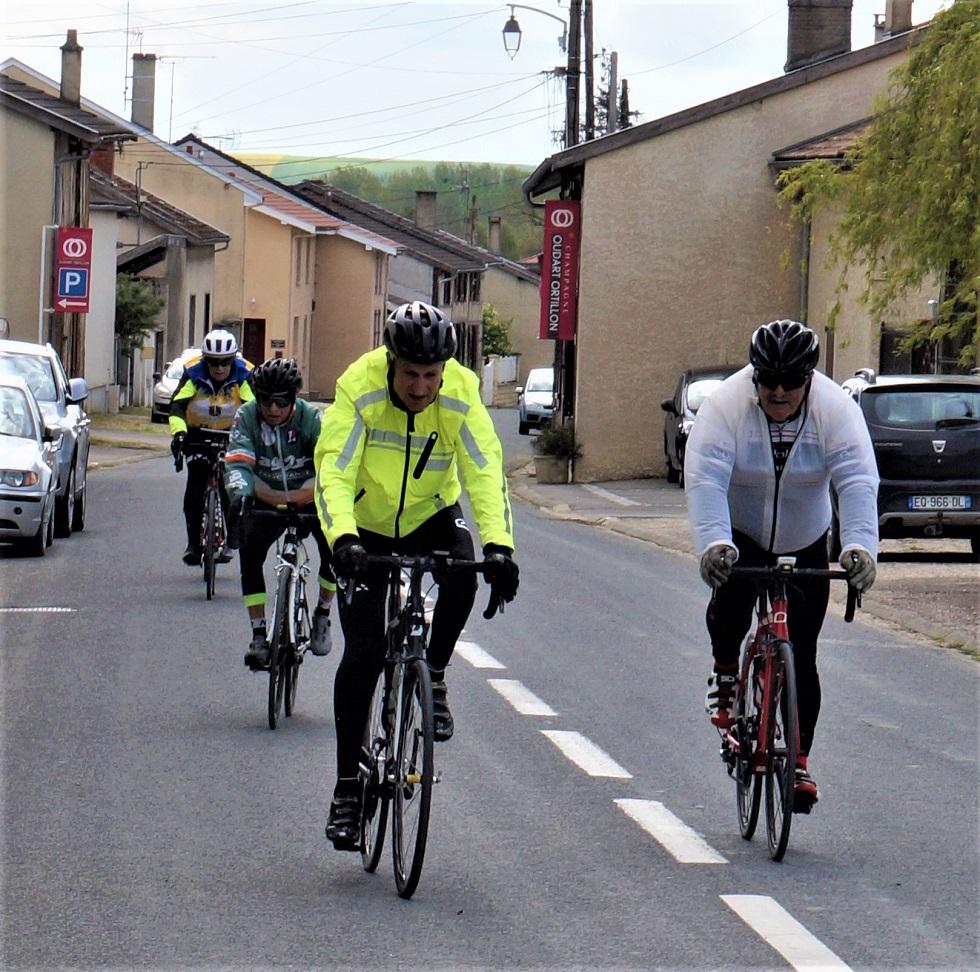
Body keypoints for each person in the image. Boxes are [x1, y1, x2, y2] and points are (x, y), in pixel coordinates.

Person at [314, 300, 519, 850]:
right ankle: (347, 788)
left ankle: (435, 670)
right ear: (390, 362)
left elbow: (483, 466)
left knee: (464, 576)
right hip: (368, 525)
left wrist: (500, 544)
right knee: (361, 657)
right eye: (410, 374)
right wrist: (344, 540)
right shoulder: (359, 387)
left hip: (431, 513)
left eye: (430, 375)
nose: (421, 386)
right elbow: (332, 469)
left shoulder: (459, 391)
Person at [685, 319, 879, 813]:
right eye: (767, 379)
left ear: (809, 379)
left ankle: (799, 761)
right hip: (742, 532)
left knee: (803, 653)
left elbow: (857, 480)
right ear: (754, 376)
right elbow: (705, 478)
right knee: (729, 603)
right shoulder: (727, 405)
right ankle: (726, 671)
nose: (777, 391)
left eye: (790, 382)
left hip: (806, 535)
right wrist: (712, 545)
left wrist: (859, 548)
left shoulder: (835, 408)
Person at [223, 357, 337, 667]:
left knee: (335, 552)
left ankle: (323, 614)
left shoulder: (311, 419)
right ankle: (259, 635)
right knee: (250, 554)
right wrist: (241, 496)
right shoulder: (247, 416)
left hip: (309, 495)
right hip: (265, 495)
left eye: (281, 401)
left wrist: (317, 494)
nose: (273, 409)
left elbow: (333, 465)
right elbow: (237, 462)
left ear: (294, 399)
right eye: (266, 401)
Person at [169, 329, 254, 566]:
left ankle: (232, 533)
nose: (219, 369)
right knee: (196, 482)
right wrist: (179, 434)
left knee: (231, 485)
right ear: (206, 361)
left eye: (225, 363)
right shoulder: (193, 373)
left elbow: (252, 407)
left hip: (231, 435)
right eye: (214, 363)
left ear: (233, 360)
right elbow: (177, 407)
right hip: (199, 434)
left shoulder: (244, 374)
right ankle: (194, 544)